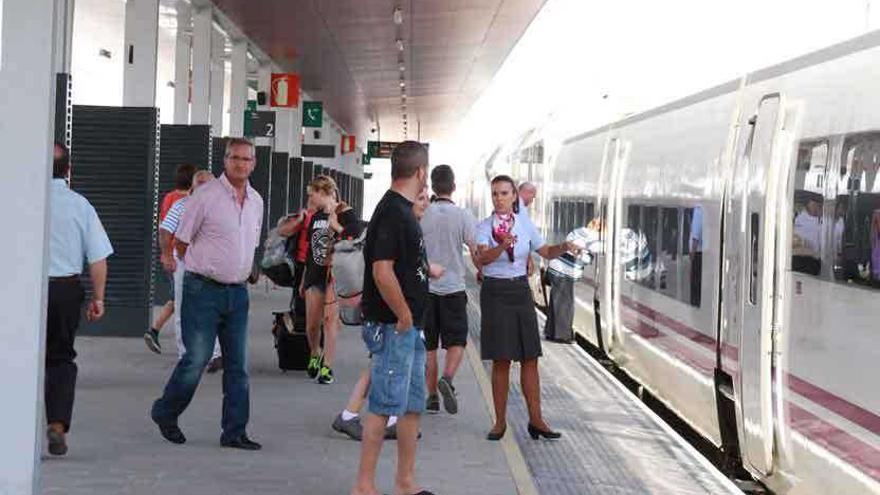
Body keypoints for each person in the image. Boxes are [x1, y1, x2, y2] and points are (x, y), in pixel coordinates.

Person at [150, 138, 264, 450]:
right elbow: (182, 242)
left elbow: (250, 244)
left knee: (238, 364)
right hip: (203, 289)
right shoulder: (205, 197)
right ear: (225, 160)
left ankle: (235, 432)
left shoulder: (256, 201)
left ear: (254, 163)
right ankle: (166, 411)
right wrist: (205, 266)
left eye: (246, 159)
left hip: (237, 293)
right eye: (234, 158)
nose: (240, 164)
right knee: (197, 357)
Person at [351, 142, 435, 495]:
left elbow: (402, 266)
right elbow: (382, 272)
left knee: (413, 405)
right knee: (383, 406)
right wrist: (402, 314)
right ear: (420, 173)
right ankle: (364, 486)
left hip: (411, 327)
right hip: (393, 325)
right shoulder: (392, 213)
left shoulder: (402, 211)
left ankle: (405, 482)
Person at [476, 175, 579, 442]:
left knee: (530, 357)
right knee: (501, 360)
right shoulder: (484, 227)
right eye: (495, 193)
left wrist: (564, 247)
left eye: (504, 193)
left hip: (520, 290)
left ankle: (537, 420)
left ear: (514, 197)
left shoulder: (524, 224)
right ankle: (499, 423)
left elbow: (544, 251)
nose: (499, 198)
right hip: (496, 292)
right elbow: (482, 259)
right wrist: (502, 245)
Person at [333, 189, 431, 441]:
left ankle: (351, 415)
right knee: (384, 368)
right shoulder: (399, 227)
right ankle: (362, 418)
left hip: (395, 319)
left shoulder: (409, 228)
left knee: (379, 366)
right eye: (420, 198)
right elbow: (388, 274)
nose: (426, 203)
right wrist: (405, 316)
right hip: (392, 320)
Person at [45, 142, 114, 456]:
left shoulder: (16, 198)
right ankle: (57, 424)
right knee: (60, 359)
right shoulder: (80, 205)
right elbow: (98, 258)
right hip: (64, 290)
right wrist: (98, 298)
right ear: (68, 171)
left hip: (19, 289)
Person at [421, 165, 478, 415]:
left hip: (426, 289)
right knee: (457, 341)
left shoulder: (422, 213)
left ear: (433, 186)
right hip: (454, 289)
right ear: (453, 187)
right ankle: (448, 377)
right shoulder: (463, 215)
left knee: (429, 347)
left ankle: (432, 396)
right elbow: (476, 249)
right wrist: (483, 271)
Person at [156, 170, 222, 371]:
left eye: (207, 184)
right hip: (184, 263)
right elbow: (165, 230)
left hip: (212, 264)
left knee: (212, 309)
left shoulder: (221, 208)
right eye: (199, 183)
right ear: (192, 187)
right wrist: (167, 255)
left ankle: (214, 354)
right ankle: (185, 354)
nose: (203, 188)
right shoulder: (181, 205)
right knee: (183, 308)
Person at [145, 164, 197, 353]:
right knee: (179, 300)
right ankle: (155, 330)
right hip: (182, 257)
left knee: (177, 298)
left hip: (169, 254)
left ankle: (156, 331)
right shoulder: (189, 202)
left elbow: (162, 225)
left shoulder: (169, 198)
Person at [300, 175, 346, 384]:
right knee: (312, 325)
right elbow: (311, 250)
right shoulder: (315, 217)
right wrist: (303, 279)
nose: (310, 198)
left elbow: (354, 237)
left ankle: (327, 367)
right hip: (313, 274)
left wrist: (337, 227)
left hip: (334, 277)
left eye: (312, 194)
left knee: (330, 322)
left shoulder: (343, 213)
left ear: (323, 192)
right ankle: (314, 353)